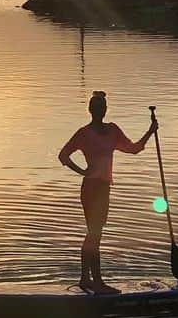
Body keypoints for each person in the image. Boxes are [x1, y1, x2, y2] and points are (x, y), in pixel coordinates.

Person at [58, 91, 157, 294]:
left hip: (103, 188)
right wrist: (83, 171)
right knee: (95, 235)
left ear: (105, 110)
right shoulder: (83, 133)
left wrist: (150, 131)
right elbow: (63, 155)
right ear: (91, 110)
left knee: (93, 235)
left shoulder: (113, 131)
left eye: (102, 107)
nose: (100, 110)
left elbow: (134, 149)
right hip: (91, 189)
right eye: (97, 107)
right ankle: (98, 283)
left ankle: (86, 279)